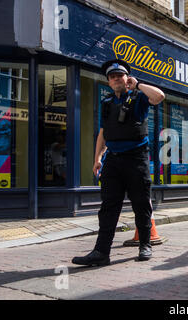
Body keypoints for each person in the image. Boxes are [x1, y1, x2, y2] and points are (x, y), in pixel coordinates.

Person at [72, 59, 165, 266]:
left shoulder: (139, 97)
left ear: (127, 78)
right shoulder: (106, 103)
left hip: (136, 158)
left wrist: (138, 84)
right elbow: (103, 133)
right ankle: (101, 252)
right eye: (112, 77)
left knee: (141, 204)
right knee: (108, 207)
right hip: (112, 160)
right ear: (109, 81)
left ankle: (145, 244)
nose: (115, 79)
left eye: (119, 76)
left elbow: (159, 96)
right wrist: (97, 158)